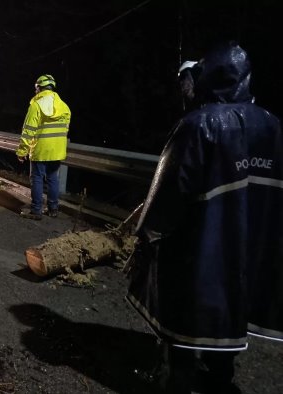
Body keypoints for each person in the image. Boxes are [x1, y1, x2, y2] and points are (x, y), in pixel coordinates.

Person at [126, 42, 283, 394]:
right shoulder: (273, 127)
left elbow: (170, 191)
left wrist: (146, 233)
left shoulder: (199, 125)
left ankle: (175, 380)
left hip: (200, 244)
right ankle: (219, 379)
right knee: (229, 314)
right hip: (249, 248)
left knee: (182, 318)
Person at [16, 74, 71, 220]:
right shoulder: (64, 106)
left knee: (37, 179)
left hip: (41, 149)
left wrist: (22, 151)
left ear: (39, 88)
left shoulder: (36, 105)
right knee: (53, 179)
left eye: (36, 88)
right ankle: (53, 209)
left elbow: (28, 131)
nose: (35, 91)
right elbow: (65, 130)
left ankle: (36, 211)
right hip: (57, 151)